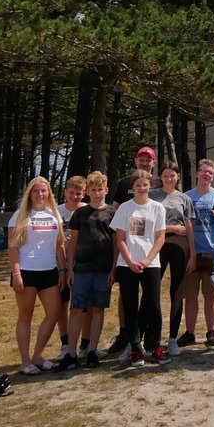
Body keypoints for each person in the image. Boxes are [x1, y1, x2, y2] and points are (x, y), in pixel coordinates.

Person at [106, 146, 161, 357]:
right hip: (127, 253)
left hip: (151, 252)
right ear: (136, 160)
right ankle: (127, 336)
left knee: (151, 299)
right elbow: (115, 213)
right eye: (141, 159)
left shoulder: (158, 184)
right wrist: (123, 256)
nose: (145, 163)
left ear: (153, 163)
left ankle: (147, 339)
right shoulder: (123, 184)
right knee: (127, 298)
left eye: (149, 160)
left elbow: (162, 224)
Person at [111, 170, 170, 366]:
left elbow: (160, 237)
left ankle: (154, 346)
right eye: (138, 185)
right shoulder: (125, 209)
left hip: (151, 263)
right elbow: (120, 239)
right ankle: (135, 347)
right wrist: (129, 261)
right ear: (132, 187)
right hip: (127, 263)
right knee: (130, 305)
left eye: (145, 185)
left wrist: (147, 260)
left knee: (153, 305)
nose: (142, 188)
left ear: (151, 185)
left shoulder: (158, 208)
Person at [8, 177, 65, 375]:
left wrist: (63, 269)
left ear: (49, 193)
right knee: (25, 316)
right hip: (26, 271)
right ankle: (25, 361)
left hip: (49, 271)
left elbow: (60, 245)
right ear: (30, 194)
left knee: (54, 313)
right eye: (36, 191)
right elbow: (13, 247)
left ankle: (38, 356)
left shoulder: (54, 214)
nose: (40, 195)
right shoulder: (19, 215)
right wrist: (16, 273)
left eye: (44, 191)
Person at [62, 171, 116, 369]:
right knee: (76, 309)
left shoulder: (111, 213)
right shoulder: (80, 214)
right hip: (81, 269)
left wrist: (113, 269)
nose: (97, 193)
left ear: (106, 190)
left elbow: (116, 243)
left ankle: (92, 349)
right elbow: (72, 242)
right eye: (93, 190)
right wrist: (69, 269)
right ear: (87, 192)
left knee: (98, 309)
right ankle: (71, 352)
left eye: (100, 190)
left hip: (103, 269)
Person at [180, 158, 214, 348]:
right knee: (190, 295)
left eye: (210, 172)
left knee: (211, 295)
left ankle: (211, 331)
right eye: (203, 171)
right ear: (197, 173)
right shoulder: (186, 197)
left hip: (212, 251)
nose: (206, 174)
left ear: (213, 176)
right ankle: (190, 332)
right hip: (191, 252)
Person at [150, 164, 196, 356]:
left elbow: (189, 226)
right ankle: (149, 337)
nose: (169, 179)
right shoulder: (152, 196)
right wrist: (172, 228)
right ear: (160, 177)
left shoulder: (184, 199)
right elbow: (149, 223)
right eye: (165, 175)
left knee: (176, 292)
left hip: (179, 247)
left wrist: (193, 254)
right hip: (157, 246)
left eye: (173, 176)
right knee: (151, 292)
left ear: (178, 177)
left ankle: (172, 338)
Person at [56, 176, 87, 360]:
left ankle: (85, 343)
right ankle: (65, 343)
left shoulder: (86, 210)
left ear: (84, 194)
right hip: (60, 264)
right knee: (62, 304)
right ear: (66, 192)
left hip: (81, 263)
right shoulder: (56, 212)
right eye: (72, 193)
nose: (75, 197)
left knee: (82, 305)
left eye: (79, 193)